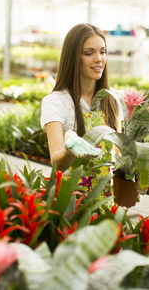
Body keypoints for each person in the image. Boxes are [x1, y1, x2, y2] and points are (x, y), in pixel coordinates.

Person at [40, 23, 122, 198]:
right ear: (73, 57)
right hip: (71, 201)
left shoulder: (112, 99)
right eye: (89, 53)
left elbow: (117, 154)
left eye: (103, 51)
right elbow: (56, 161)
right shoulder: (55, 101)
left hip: (107, 201)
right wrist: (71, 150)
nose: (99, 58)